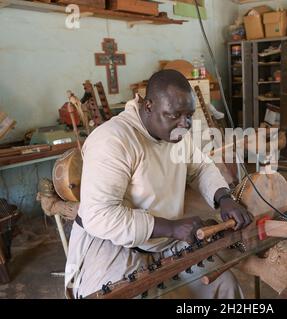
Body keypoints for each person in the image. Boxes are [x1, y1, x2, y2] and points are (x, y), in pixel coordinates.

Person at [64, 69, 252, 299]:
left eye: (189, 115)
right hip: (112, 244)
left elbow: (200, 167)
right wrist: (171, 227)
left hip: (165, 239)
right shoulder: (113, 139)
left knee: (225, 287)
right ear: (149, 106)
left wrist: (224, 198)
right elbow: (99, 216)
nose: (184, 124)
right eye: (174, 115)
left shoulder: (177, 133)